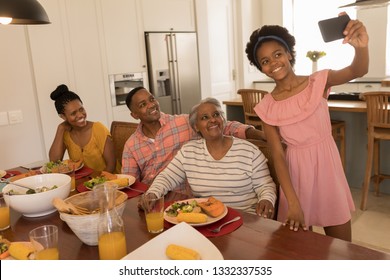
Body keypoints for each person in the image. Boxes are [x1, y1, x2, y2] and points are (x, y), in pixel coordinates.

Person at [245, 14, 368, 241]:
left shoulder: (318, 81)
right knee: (300, 248)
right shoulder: (267, 107)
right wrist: (292, 202)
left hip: (328, 170)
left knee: (343, 247)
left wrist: (361, 47)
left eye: (277, 54)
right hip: (295, 177)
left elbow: (357, 70)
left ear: (289, 54)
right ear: (261, 69)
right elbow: (278, 156)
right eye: (265, 61)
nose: (273, 63)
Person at [145, 97, 276, 216]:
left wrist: (266, 200)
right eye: (204, 117)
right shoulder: (188, 151)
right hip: (207, 219)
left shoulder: (249, 151)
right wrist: (153, 193)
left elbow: (265, 185)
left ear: (223, 119)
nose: (212, 119)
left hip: (244, 219)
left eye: (216, 115)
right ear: (196, 127)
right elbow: (167, 177)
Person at [122, 87, 265, 194]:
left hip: (184, 199)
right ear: (134, 115)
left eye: (152, 99)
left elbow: (223, 126)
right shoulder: (131, 145)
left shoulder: (183, 123)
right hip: (152, 199)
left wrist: (260, 134)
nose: (151, 105)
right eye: (142, 105)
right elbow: (129, 184)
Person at [49, 84, 116, 173]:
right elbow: (54, 162)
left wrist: (98, 184)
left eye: (81, 109)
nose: (80, 115)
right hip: (83, 182)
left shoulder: (98, 128)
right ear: (63, 116)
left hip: (108, 182)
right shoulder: (66, 134)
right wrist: (60, 128)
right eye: (73, 113)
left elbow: (111, 165)